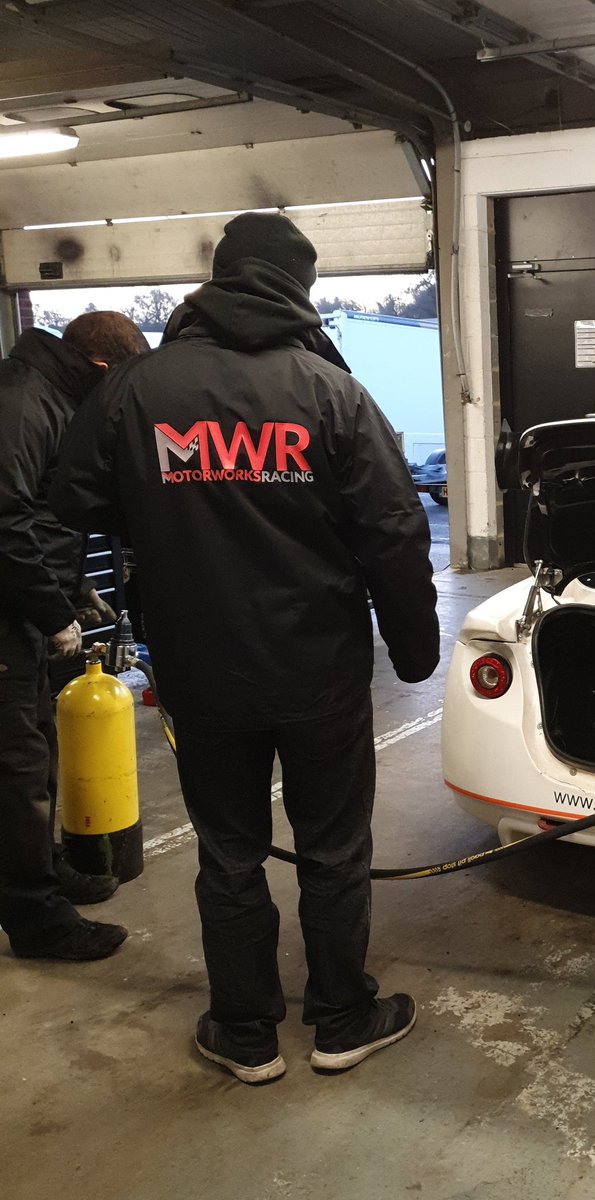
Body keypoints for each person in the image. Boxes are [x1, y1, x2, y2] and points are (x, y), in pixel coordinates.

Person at [52, 212, 440, 1085]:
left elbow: (67, 503)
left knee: (229, 849)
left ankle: (245, 1031)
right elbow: (392, 530)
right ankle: (341, 1018)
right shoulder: (329, 391)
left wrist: (153, 527)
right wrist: (414, 650)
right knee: (334, 846)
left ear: (218, 278)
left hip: (201, 669)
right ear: (297, 288)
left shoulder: (137, 390)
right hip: (320, 672)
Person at [0, 311, 149, 962]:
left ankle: (45, 865)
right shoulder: (23, 401)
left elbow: (43, 511)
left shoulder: (53, 396)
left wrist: (66, 592)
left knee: (36, 741)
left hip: (22, 609)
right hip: (5, 615)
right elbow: (3, 520)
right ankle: (36, 919)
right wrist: (48, 609)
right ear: (99, 370)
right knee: (16, 765)